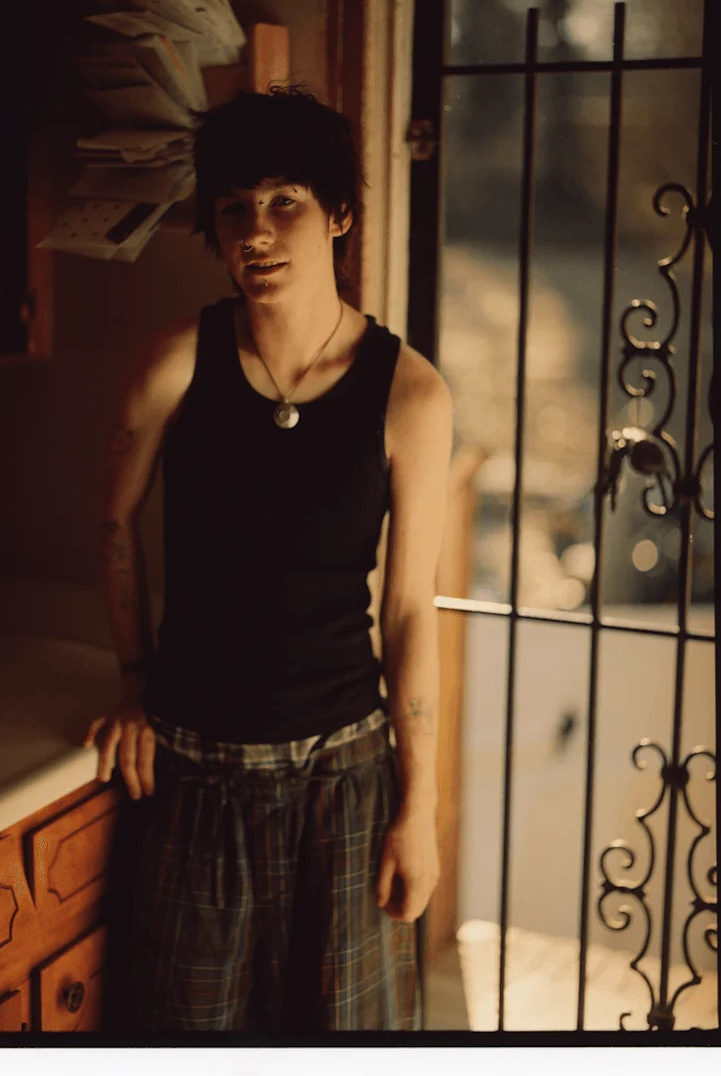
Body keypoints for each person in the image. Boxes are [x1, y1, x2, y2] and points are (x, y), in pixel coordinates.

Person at [83, 87, 453, 1034]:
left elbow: (410, 610)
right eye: (235, 207)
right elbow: (113, 526)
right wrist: (133, 680)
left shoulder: (408, 393)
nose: (257, 230)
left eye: (284, 201)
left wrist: (421, 806)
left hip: (346, 774)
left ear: (339, 214)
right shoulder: (174, 362)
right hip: (193, 772)